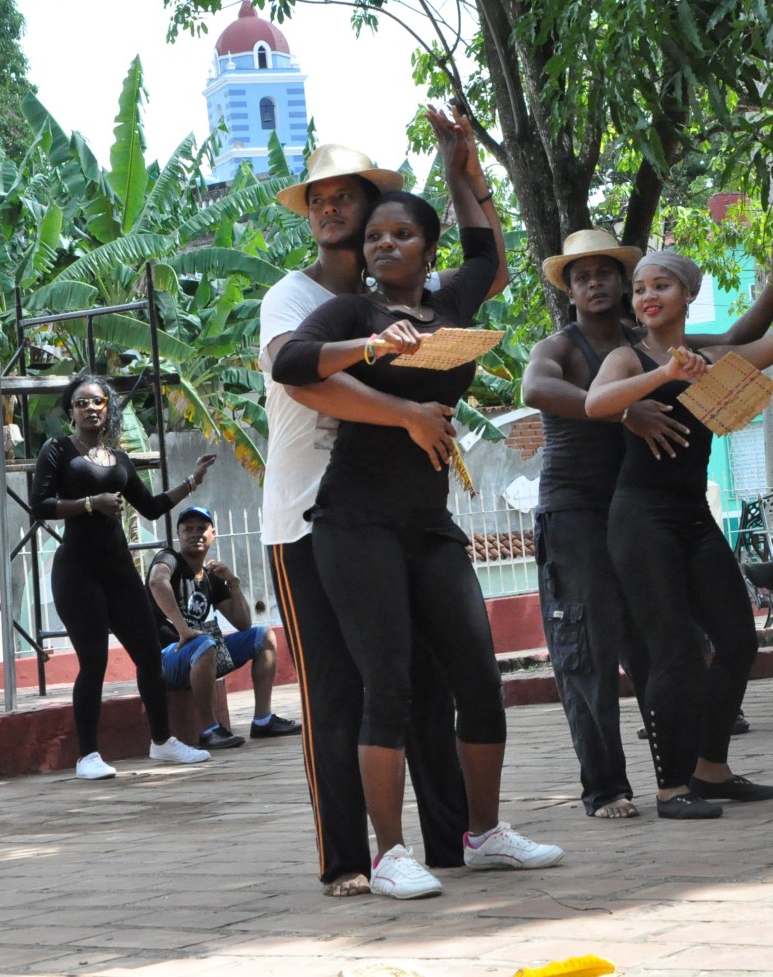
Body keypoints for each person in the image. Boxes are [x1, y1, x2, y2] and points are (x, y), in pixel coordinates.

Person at [273, 111, 561, 900]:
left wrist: (462, 168)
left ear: (425, 249)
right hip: (352, 521)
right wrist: (371, 349)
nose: (383, 246)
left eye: (400, 236)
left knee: (477, 671)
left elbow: (487, 252)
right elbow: (294, 364)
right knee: (387, 684)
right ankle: (390, 851)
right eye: (375, 239)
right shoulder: (355, 314)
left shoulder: (452, 301)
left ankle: (486, 830)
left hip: (430, 523)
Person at [261, 131, 489, 896]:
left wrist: (466, 174)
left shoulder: (401, 292)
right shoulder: (300, 299)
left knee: (426, 683)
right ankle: (349, 861)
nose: (331, 210)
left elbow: (483, 263)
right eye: (318, 200)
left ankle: (454, 841)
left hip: (399, 511)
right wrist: (407, 412)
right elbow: (301, 381)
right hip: (307, 515)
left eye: (344, 198)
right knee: (340, 693)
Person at [521, 224, 773, 819]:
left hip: (671, 509)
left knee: (709, 641)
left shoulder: (655, 340)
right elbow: (544, 389)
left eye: (607, 273)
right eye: (581, 275)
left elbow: (744, 339)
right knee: (596, 653)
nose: (597, 282)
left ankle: (705, 769)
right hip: (584, 509)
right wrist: (630, 409)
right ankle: (615, 788)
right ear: (569, 289)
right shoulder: (570, 347)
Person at [30, 375, 217, 779]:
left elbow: (149, 507)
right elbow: (40, 505)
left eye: (98, 402)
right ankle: (88, 756)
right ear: (71, 411)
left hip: (118, 570)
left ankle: (163, 742)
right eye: (82, 403)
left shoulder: (118, 459)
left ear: (107, 408)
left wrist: (191, 482)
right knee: (94, 660)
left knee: (149, 654)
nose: (91, 408)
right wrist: (88, 503)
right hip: (78, 571)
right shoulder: (58, 450)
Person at [146, 506, 302, 749]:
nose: (195, 534)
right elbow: (157, 581)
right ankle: (209, 730)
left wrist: (234, 583)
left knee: (264, 636)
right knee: (204, 642)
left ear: (212, 534)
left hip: (202, 654)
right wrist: (183, 630)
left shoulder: (211, 576)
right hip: (166, 660)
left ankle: (262, 720)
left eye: (201, 529)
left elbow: (243, 623)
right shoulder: (169, 559)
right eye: (188, 529)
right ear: (179, 534)